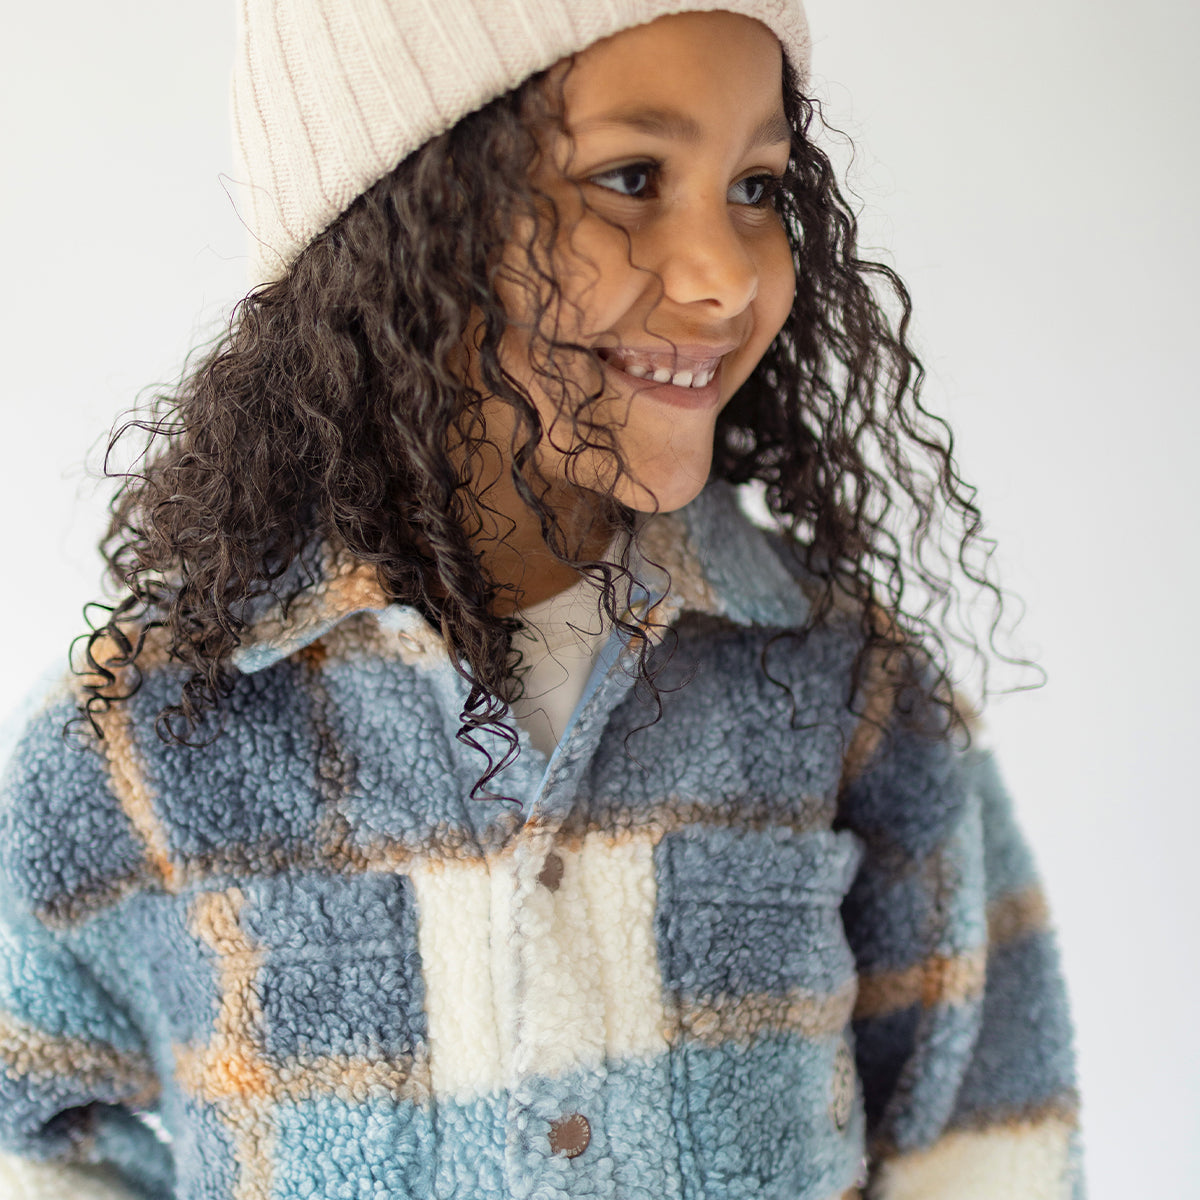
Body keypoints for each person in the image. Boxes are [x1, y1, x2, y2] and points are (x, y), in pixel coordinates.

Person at [0, 2, 1082, 1198]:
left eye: (759, 186)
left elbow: (990, 1125)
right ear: (399, 216)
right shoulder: (145, 735)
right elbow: (28, 1126)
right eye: (630, 177)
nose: (724, 275)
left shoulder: (847, 700)